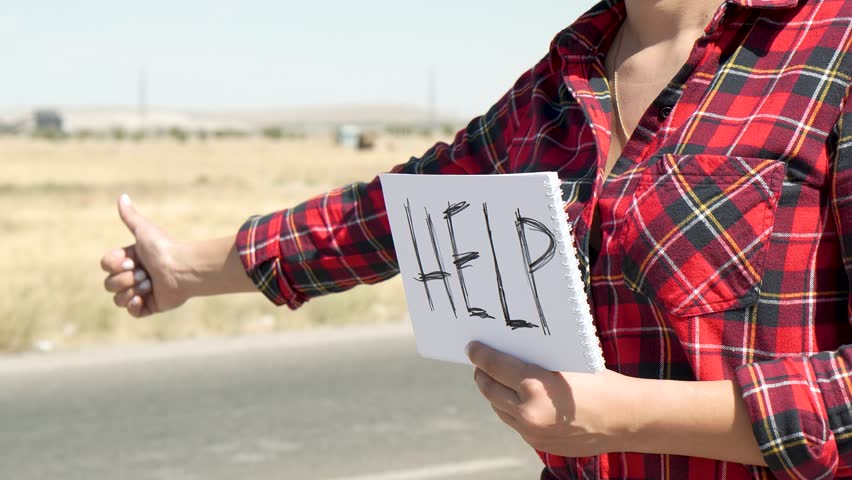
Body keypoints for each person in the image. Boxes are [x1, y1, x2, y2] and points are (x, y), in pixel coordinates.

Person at [100, 0, 852, 478]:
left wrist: (625, 417)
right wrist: (185, 270)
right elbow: (391, 216)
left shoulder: (832, 49)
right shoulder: (560, 80)